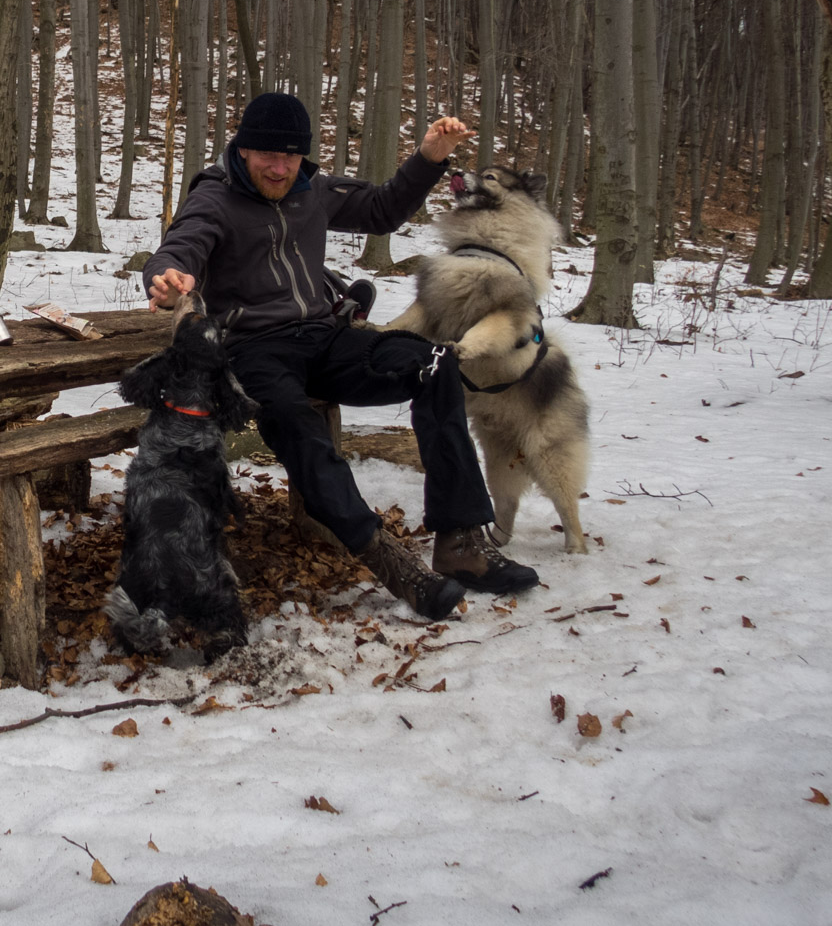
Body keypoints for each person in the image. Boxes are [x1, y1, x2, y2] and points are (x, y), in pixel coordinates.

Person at [142, 91, 538, 620]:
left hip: (326, 337)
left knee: (435, 362)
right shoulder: (214, 199)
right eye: (267, 155)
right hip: (252, 350)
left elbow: (383, 209)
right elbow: (182, 244)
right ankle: (387, 558)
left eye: (291, 156)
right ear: (242, 151)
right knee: (294, 420)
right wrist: (168, 276)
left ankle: (461, 541)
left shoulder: (315, 189)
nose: (280, 168)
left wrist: (429, 158)